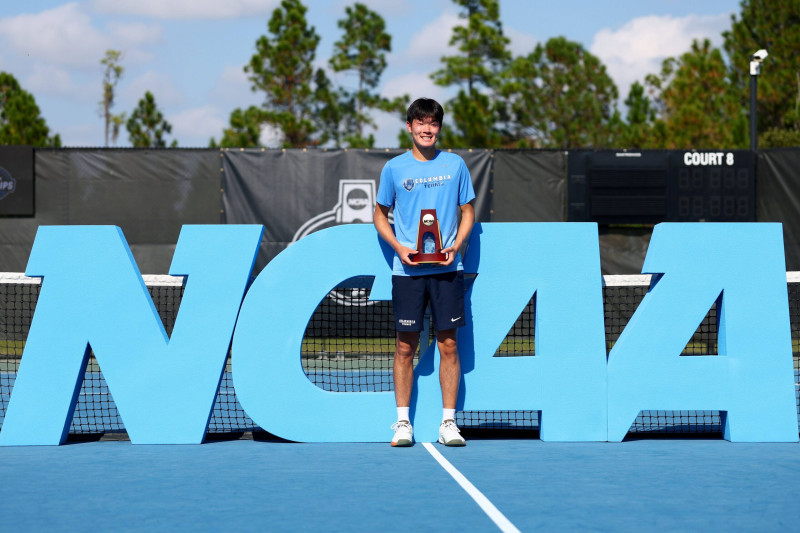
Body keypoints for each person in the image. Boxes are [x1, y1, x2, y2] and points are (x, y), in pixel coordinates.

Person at [373, 98, 475, 447]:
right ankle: (403, 423)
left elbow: (467, 211)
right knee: (405, 347)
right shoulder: (394, 169)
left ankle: (448, 423)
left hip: (448, 270)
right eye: (421, 123)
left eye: (432, 124)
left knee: (449, 344)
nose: (426, 129)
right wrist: (398, 247)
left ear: (439, 128)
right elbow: (379, 214)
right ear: (410, 127)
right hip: (407, 273)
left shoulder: (455, 165)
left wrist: (456, 246)